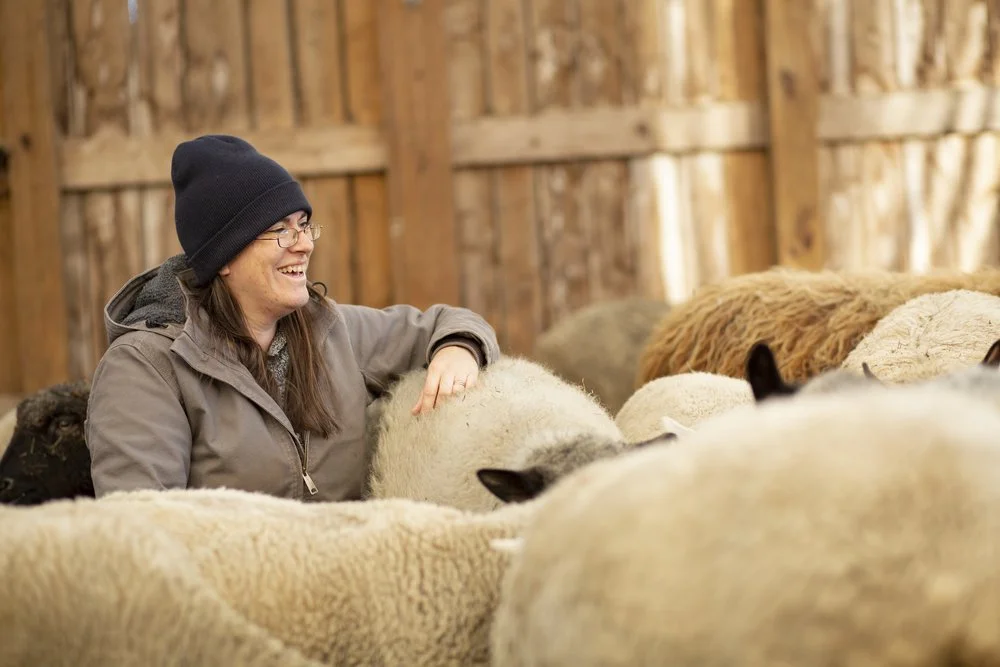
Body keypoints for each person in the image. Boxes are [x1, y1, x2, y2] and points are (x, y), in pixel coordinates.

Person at [85, 134, 501, 502]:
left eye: (304, 225)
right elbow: (140, 531)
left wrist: (458, 348)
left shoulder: (330, 330)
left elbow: (445, 321)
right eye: (281, 230)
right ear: (225, 256)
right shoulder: (146, 369)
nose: (304, 245)